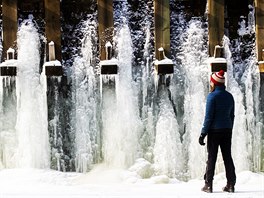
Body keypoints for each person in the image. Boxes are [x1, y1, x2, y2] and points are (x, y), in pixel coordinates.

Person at [199, 70, 236, 193]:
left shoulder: (212, 96)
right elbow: (232, 115)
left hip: (214, 131)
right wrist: (230, 128)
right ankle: (231, 184)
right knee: (227, 157)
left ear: (214, 83)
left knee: (212, 158)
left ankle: (208, 185)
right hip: (227, 130)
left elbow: (208, 117)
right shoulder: (229, 96)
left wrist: (203, 133)